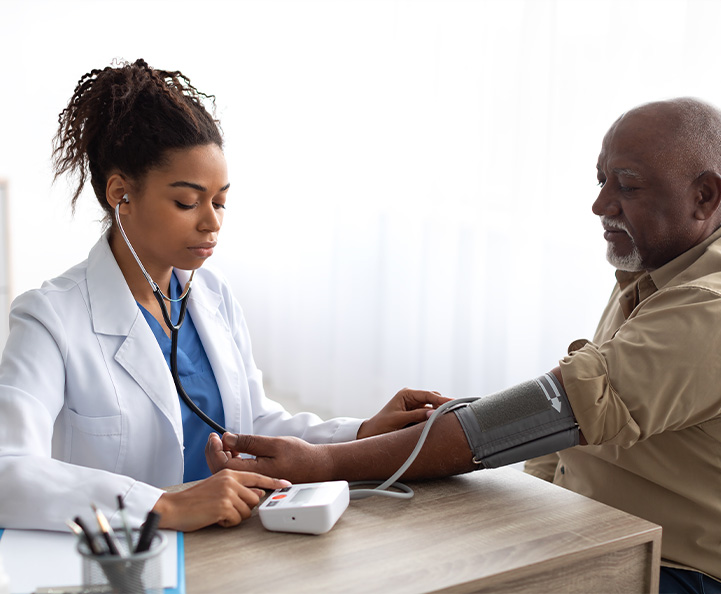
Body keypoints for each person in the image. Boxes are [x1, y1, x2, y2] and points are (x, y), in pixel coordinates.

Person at [206, 98, 721, 594]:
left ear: (704, 195)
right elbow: (570, 426)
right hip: (618, 530)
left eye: (628, 185)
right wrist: (470, 436)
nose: (600, 205)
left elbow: (551, 411)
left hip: (698, 575)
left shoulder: (718, 307)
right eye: (600, 181)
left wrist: (328, 462)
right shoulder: (661, 269)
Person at [0, 58, 447, 533]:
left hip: (233, 542)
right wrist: (164, 507)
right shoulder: (50, 318)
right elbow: (8, 468)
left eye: (220, 202)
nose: (212, 222)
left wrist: (361, 433)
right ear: (120, 194)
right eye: (187, 202)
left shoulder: (212, 294)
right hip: (131, 557)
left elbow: (252, 422)